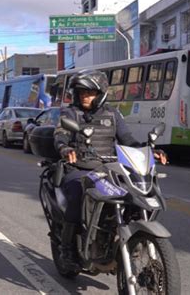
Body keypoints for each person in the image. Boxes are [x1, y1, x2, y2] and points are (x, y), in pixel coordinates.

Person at [53, 70, 167, 271]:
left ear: (101, 93)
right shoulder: (70, 113)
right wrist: (66, 148)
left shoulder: (112, 114)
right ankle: (67, 249)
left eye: (89, 92)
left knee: (134, 192)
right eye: (81, 92)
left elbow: (128, 140)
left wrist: (148, 150)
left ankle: (125, 238)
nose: (84, 96)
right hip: (80, 168)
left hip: (109, 169)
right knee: (78, 192)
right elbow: (60, 136)